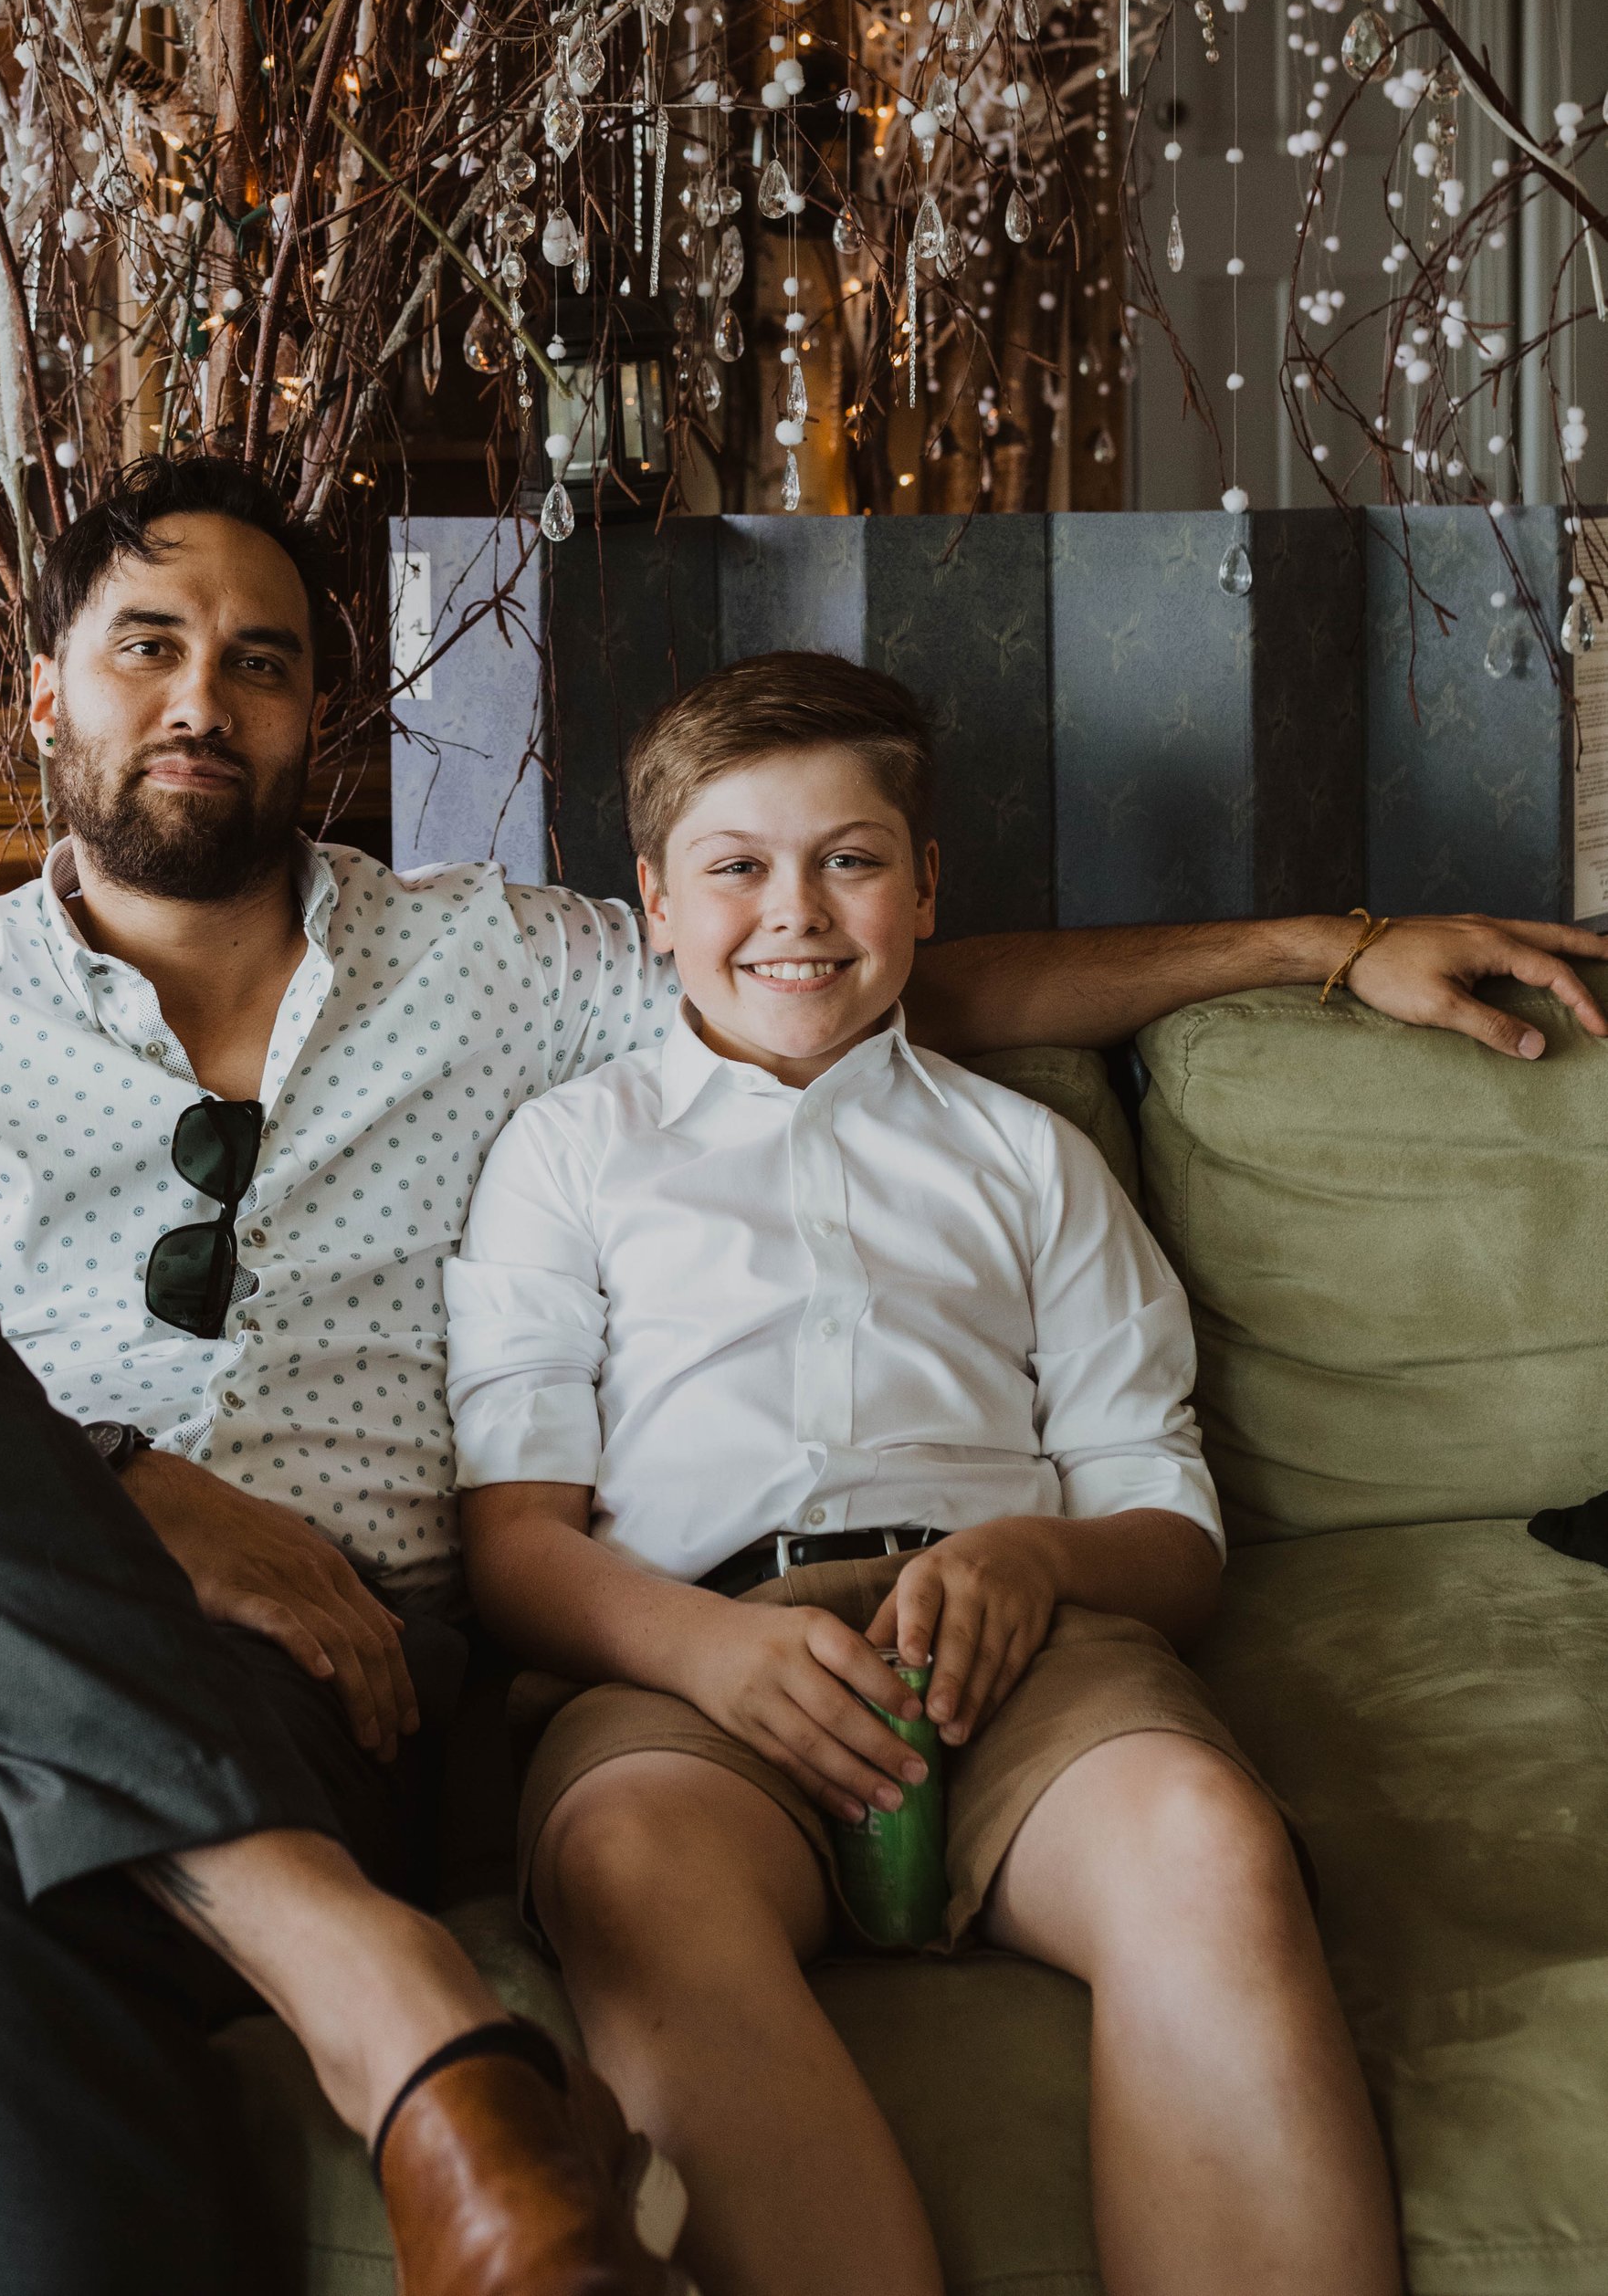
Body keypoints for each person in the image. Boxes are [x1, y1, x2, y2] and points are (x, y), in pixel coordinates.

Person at [0, 454, 1597, 2296]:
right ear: (50, 688)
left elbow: (856, 976)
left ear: (318, 714)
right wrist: (129, 1499)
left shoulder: (478, 963)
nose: (201, 697)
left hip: (306, 1697)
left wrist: (1321, 949)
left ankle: (301, 1942)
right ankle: (387, 1999)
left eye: (259, 659)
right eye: (148, 643)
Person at [447, 653, 1402, 2296]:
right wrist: (703, 1650)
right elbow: (518, 1548)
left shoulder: (1029, 1156)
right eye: (737, 864)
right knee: (633, 1872)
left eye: (852, 856)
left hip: (1015, 1641)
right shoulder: (568, 1152)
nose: (796, 911)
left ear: (926, 885)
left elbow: (1169, 1529)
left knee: (1204, 1837)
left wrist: (1041, 1561)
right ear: (655, 907)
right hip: (688, 1657)